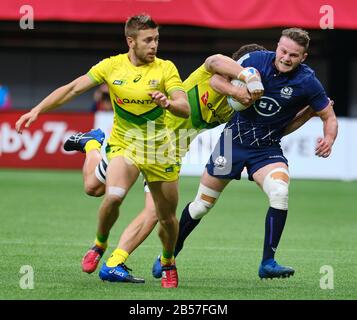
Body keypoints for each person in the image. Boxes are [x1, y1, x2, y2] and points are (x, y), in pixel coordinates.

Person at [15, 14, 191, 289]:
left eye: (156, 39)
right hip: (125, 144)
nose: (154, 45)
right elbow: (73, 88)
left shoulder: (165, 69)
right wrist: (37, 110)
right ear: (130, 41)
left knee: (167, 218)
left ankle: (168, 261)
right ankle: (99, 245)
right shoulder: (112, 67)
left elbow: (185, 107)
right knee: (113, 195)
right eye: (148, 40)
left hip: (160, 151)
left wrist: (168, 103)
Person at [152, 28, 338, 280]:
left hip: (267, 148)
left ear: (303, 57)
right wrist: (237, 92)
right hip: (232, 143)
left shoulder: (307, 82)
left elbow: (328, 115)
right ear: (277, 47)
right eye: (283, 51)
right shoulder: (254, 61)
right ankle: (170, 253)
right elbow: (216, 80)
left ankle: (268, 262)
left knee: (280, 192)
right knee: (201, 206)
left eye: (294, 55)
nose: (286, 58)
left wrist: (328, 138)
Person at [67, 44, 266, 280]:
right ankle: (92, 144)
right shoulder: (212, 73)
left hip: (170, 152)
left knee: (155, 212)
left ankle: (114, 262)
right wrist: (242, 81)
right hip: (143, 138)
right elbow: (215, 63)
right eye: (247, 67)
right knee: (93, 188)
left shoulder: (243, 103)